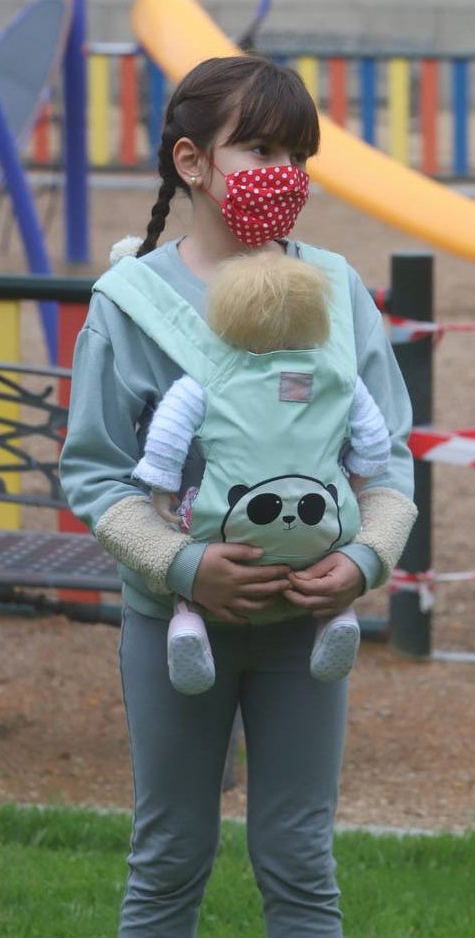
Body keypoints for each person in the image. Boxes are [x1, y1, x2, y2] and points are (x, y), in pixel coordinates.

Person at [59, 53, 417, 938]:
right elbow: (96, 476)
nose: (282, 175)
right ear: (191, 163)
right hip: (176, 627)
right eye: (256, 148)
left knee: (301, 864)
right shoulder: (129, 303)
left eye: (297, 154)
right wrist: (183, 568)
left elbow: (390, 462)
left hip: (307, 630)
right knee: (169, 859)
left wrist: (364, 561)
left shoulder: (338, 290)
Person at [120, 245, 394, 693]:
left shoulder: (211, 380)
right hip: (321, 522)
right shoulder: (338, 378)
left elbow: (167, 435)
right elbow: (376, 442)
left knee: (186, 533)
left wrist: (162, 488)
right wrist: (354, 483)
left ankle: (187, 619)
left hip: (227, 528)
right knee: (324, 553)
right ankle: (335, 616)